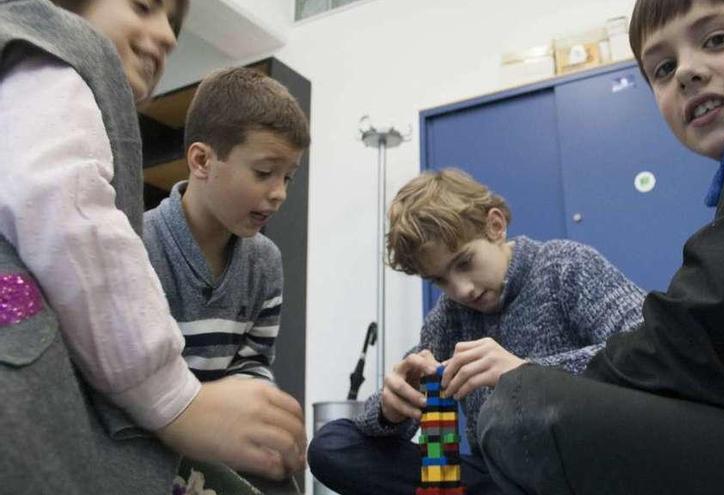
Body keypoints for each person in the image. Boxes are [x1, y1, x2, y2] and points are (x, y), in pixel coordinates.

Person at [477, 1, 724, 494]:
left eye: (716, 40)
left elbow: (700, 335)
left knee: (526, 408)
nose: (687, 72)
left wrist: (553, 384)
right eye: (663, 69)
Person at [0, 0, 304, 491]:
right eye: (144, 6)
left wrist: (248, 408)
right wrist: (179, 400)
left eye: (174, 23)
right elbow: (69, 219)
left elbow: (253, 359)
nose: (165, 35)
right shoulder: (57, 55)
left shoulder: (265, 261)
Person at [308, 168, 645, 494]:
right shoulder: (448, 318)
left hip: (588, 471)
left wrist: (527, 374)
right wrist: (390, 409)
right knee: (332, 445)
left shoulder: (567, 266)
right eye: (440, 280)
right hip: (502, 482)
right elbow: (382, 433)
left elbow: (652, 351)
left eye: (464, 262)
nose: (462, 290)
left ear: (495, 225)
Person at [143, 66, 310, 489]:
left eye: (287, 177)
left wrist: (263, 417)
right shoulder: (137, 245)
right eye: (263, 172)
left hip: (220, 440)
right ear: (202, 160)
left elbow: (253, 360)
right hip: (152, 430)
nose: (279, 193)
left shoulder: (266, 262)